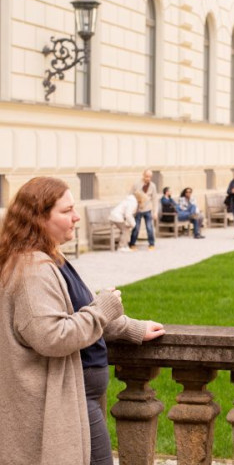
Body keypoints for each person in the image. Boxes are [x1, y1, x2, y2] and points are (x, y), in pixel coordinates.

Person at [0, 177, 165, 465]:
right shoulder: (32, 271)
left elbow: (77, 309)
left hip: (76, 396)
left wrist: (131, 328)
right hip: (62, 401)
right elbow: (52, 336)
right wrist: (103, 307)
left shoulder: (48, 258)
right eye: (66, 211)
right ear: (38, 218)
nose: (76, 217)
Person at [129, 170, 158, 251]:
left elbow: (155, 199)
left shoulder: (153, 186)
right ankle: (132, 244)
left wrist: (155, 212)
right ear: (143, 175)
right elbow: (130, 195)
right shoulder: (136, 184)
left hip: (148, 209)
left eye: (150, 177)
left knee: (149, 227)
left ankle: (151, 244)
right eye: (146, 176)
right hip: (138, 210)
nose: (148, 178)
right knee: (136, 227)